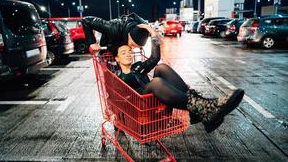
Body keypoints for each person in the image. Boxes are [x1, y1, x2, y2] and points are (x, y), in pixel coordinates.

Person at [112, 29, 244, 133]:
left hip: (152, 99)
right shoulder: (117, 77)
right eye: (123, 53)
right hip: (139, 106)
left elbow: (155, 57)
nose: (128, 54)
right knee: (156, 82)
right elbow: (115, 100)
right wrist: (116, 117)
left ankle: (198, 110)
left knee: (161, 68)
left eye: (129, 51)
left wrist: (153, 37)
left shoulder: (138, 68)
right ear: (117, 59)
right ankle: (202, 108)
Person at [82, 13, 161, 53]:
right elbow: (86, 20)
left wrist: (151, 31)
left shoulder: (136, 27)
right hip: (108, 46)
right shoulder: (113, 28)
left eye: (136, 47)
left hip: (118, 45)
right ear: (130, 35)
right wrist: (92, 43)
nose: (132, 48)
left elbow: (144, 27)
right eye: (133, 45)